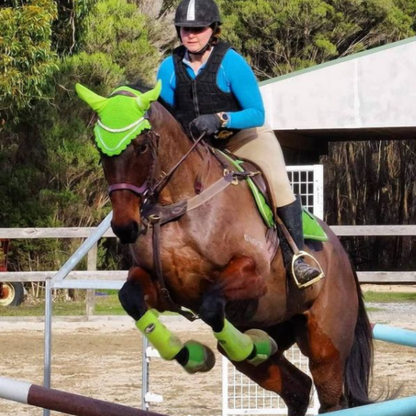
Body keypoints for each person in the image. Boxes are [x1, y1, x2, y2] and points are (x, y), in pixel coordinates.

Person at [156, 0, 322, 287]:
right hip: (200, 146)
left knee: (278, 184)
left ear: (213, 30)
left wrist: (220, 119)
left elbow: (256, 113)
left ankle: (297, 257)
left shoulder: (231, 62)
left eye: (198, 29)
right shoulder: (168, 68)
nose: (190, 35)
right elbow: (166, 116)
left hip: (244, 138)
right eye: (184, 29)